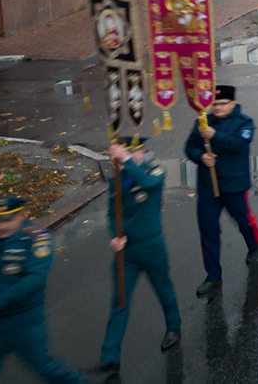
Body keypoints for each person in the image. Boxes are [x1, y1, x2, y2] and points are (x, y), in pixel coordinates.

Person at [94, 141, 181, 380]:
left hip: (151, 245)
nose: (128, 156)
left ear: (143, 152)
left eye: (133, 151)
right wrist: (114, 236)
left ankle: (174, 326)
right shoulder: (117, 178)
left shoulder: (155, 171)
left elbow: (148, 184)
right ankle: (110, 356)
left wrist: (126, 160)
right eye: (125, 151)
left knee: (163, 288)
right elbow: (112, 213)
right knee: (119, 300)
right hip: (126, 251)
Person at [0, 196, 86, 384]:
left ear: (21, 216)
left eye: (8, 220)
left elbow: (34, 280)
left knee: (47, 368)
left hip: (23, 323)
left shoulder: (36, 239)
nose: (0, 227)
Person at [183, 85, 258, 298]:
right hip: (208, 187)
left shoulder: (244, 123)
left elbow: (238, 145)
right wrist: (201, 157)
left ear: (232, 104)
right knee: (208, 231)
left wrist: (214, 135)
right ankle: (213, 275)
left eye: (222, 104)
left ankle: (254, 244)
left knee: (243, 221)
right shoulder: (202, 122)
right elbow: (190, 147)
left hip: (234, 185)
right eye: (214, 104)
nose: (217, 107)